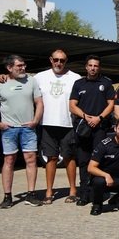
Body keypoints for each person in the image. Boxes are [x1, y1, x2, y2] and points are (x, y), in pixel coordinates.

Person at [0, 54, 44, 208]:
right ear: (9, 67)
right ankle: (7, 196)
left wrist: (35, 121)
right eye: (19, 65)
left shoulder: (31, 81)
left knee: (31, 160)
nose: (23, 68)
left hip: (28, 128)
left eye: (24, 65)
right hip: (9, 129)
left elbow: (39, 102)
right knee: (9, 160)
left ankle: (31, 195)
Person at [33, 49, 81, 204]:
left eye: (62, 60)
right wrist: (5, 77)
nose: (59, 63)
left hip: (68, 124)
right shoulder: (39, 77)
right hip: (47, 124)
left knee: (69, 157)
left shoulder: (75, 78)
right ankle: (49, 192)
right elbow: (23, 84)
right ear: (51, 60)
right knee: (51, 158)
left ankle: (73, 191)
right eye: (56, 60)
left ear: (66, 61)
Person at [69, 55, 115, 207]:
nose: (93, 68)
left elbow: (111, 104)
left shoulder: (106, 83)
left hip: (100, 128)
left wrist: (99, 118)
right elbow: (72, 105)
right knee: (83, 161)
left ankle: (97, 193)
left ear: (99, 67)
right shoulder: (79, 83)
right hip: (83, 128)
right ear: (86, 67)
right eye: (90, 65)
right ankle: (84, 194)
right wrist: (86, 117)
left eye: (96, 66)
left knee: (98, 161)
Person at [86, 117, 119, 216]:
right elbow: (91, 168)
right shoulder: (104, 144)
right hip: (104, 179)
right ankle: (97, 205)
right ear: (115, 129)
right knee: (98, 181)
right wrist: (106, 175)